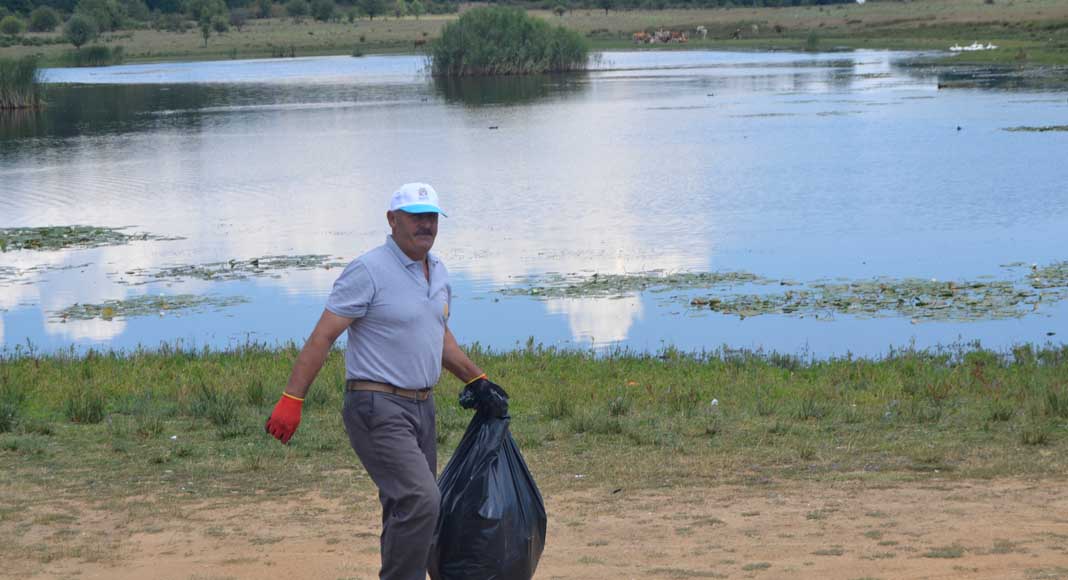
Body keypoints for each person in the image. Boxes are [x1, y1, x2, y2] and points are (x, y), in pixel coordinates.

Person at [264, 182, 507, 580]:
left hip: (423, 407)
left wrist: (478, 380)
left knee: (407, 507)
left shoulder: (439, 272)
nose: (426, 225)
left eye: (432, 217)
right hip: (376, 406)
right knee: (421, 499)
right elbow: (323, 336)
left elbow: (438, 336)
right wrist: (292, 398)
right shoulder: (368, 270)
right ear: (392, 220)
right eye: (416, 217)